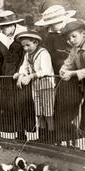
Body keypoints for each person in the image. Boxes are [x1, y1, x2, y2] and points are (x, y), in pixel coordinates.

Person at [35, 4, 78, 144]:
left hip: (75, 78)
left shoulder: (75, 31)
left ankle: (71, 140)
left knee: (70, 109)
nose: (50, 27)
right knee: (58, 110)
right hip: (58, 79)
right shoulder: (50, 36)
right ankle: (61, 141)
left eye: (52, 24)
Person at [0, 10, 34, 140]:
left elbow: (26, 57)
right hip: (6, 77)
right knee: (9, 105)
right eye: (1, 27)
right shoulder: (0, 38)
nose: (2, 29)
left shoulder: (24, 35)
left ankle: (23, 133)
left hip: (21, 75)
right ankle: (16, 132)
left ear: (13, 25)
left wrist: (20, 72)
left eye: (5, 26)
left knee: (22, 104)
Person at [14, 30, 55, 143]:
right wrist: (21, 75)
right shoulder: (28, 55)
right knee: (39, 112)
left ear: (36, 42)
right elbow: (24, 67)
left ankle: (50, 137)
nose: (26, 48)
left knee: (48, 112)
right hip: (36, 85)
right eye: (23, 46)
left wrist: (30, 76)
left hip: (46, 84)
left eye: (28, 45)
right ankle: (42, 136)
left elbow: (45, 70)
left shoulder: (43, 53)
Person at [59, 19, 85, 139]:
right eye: (69, 39)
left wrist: (72, 73)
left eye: (74, 36)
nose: (71, 40)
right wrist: (63, 70)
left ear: (83, 33)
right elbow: (68, 63)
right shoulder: (75, 49)